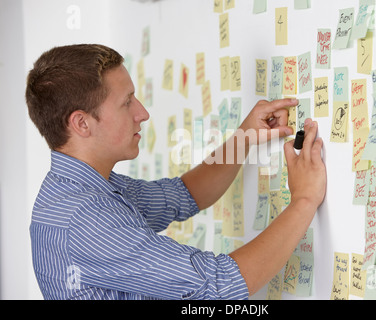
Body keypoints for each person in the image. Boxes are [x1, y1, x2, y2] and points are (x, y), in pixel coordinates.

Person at [26, 44, 326, 300]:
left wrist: (245, 137)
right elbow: (218, 285)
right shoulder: (84, 217)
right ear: (82, 123)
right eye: (126, 102)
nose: (142, 113)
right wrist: (304, 200)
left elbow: (184, 194)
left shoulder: (82, 188)